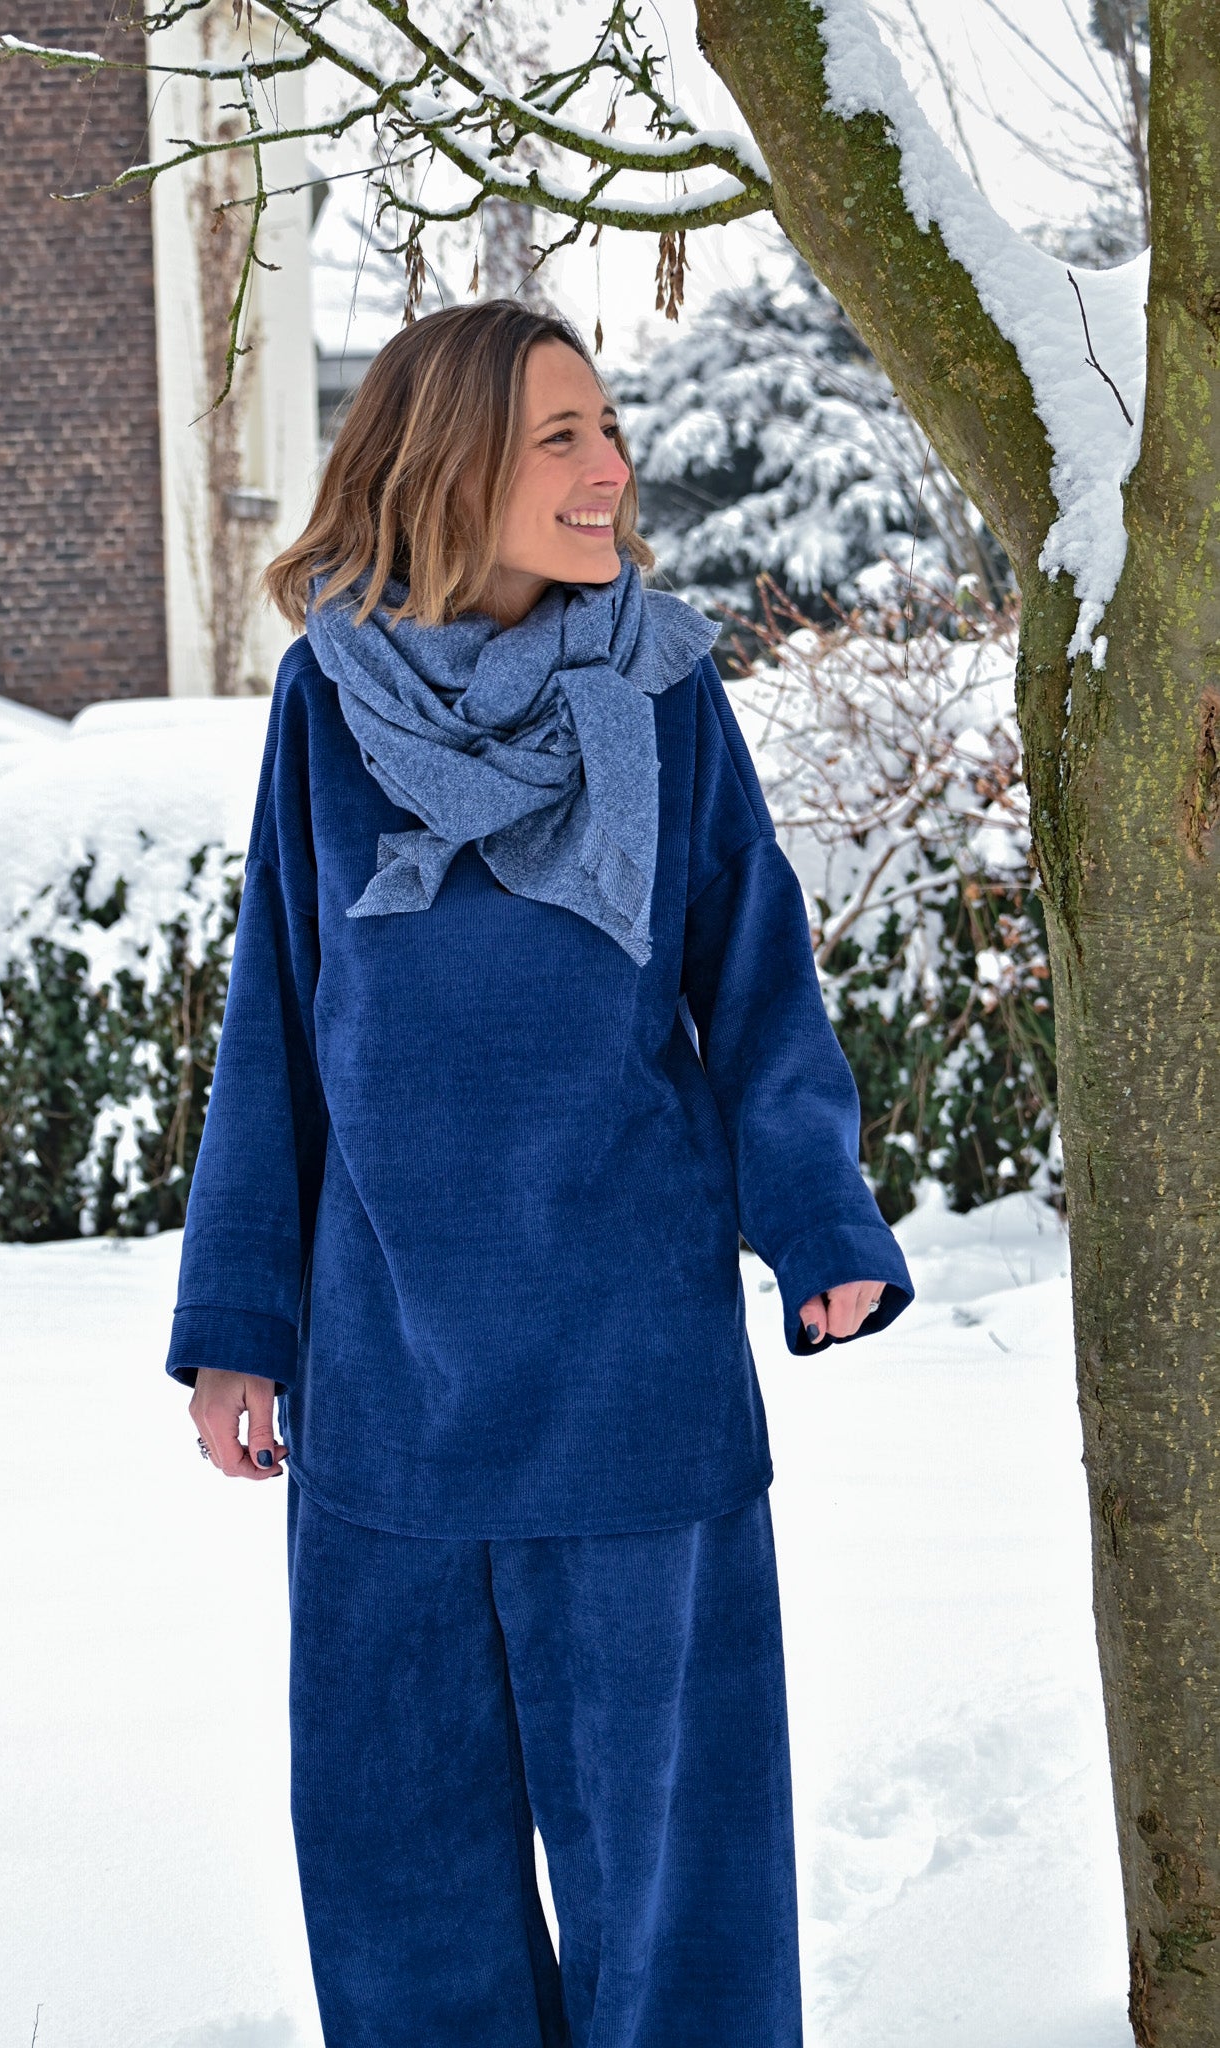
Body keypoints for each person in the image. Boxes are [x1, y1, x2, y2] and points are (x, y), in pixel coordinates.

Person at [164, 297, 914, 2047]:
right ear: (445, 466)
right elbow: (279, 1019)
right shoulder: (325, 703)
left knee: (674, 1888)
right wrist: (237, 1324)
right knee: (401, 1881)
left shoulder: (663, 687)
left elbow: (753, 982)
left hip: (632, 1381)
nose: (608, 470)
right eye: (558, 436)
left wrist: (815, 1217)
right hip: (389, 1387)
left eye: (607, 428)